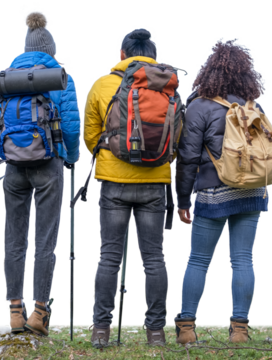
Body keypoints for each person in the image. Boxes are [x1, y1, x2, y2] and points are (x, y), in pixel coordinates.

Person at [83, 27, 182, 348]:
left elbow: (91, 135)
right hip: (155, 182)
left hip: (113, 181)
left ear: (121, 54)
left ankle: (101, 331)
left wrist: (112, 152)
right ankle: (156, 333)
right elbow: (176, 139)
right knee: (154, 257)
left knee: (110, 255)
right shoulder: (168, 87)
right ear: (153, 55)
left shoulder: (103, 84)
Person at [173, 38, 271, 344]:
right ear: (246, 72)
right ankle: (239, 330)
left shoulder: (199, 105)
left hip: (213, 192)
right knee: (242, 258)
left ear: (209, 69)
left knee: (199, 260)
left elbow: (188, 158)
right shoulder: (253, 105)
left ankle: (186, 327)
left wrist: (182, 199)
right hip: (253, 191)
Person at [1, 8, 80, 337]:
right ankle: (40, 312)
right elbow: (72, 124)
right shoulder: (60, 74)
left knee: (14, 237)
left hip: (14, 163)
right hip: (49, 163)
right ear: (50, 49)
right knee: (45, 239)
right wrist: (71, 157)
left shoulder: (8, 75)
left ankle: (15, 311)